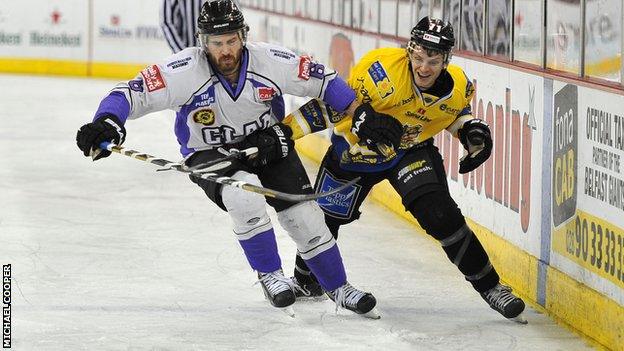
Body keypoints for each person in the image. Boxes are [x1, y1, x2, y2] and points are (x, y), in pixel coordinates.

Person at [76, 0, 379, 318]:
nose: (225, 51)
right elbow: (130, 93)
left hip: (266, 144)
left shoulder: (271, 60)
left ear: (244, 36)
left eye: (231, 40)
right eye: (217, 43)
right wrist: (107, 121)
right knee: (243, 195)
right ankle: (270, 275)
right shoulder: (184, 70)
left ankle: (339, 287)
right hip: (207, 153)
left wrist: (358, 113)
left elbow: (325, 80)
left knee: (304, 215)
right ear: (202, 42)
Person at [288, 17, 527, 322]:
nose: (424, 67)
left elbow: (450, 113)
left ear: (446, 60)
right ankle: (306, 280)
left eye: (433, 60)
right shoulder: (380, 69)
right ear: (408, 51)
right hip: (354, 154)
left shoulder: (458, 85)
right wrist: (283, 133)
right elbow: (334, 106)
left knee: (440, 214)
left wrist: (469, 130)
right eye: (418, 57)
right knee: (322, 221)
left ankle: (492, 287)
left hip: (409, 152)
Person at [160, 0, 241, 53]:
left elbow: (236, 18)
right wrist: (181, 53)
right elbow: (167, 23)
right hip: (187, 50)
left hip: (218, 56)